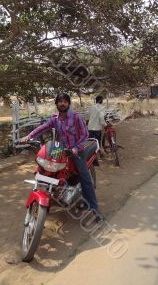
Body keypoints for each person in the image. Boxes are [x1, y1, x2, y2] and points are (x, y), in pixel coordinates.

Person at [21, 93, 104, 222]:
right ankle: (48, 201)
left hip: (77, 151)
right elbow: (43, 128)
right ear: (57, 104)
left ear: (69, 104)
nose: (62, 103)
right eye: (60, 101)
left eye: (65, 101)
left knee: (84, 177)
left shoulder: (76, 118)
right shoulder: (55, 119)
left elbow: (85, 135)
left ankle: (95, 210)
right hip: (61, 150)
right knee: (48, 171)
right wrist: (30, 136)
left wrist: (76, 148)